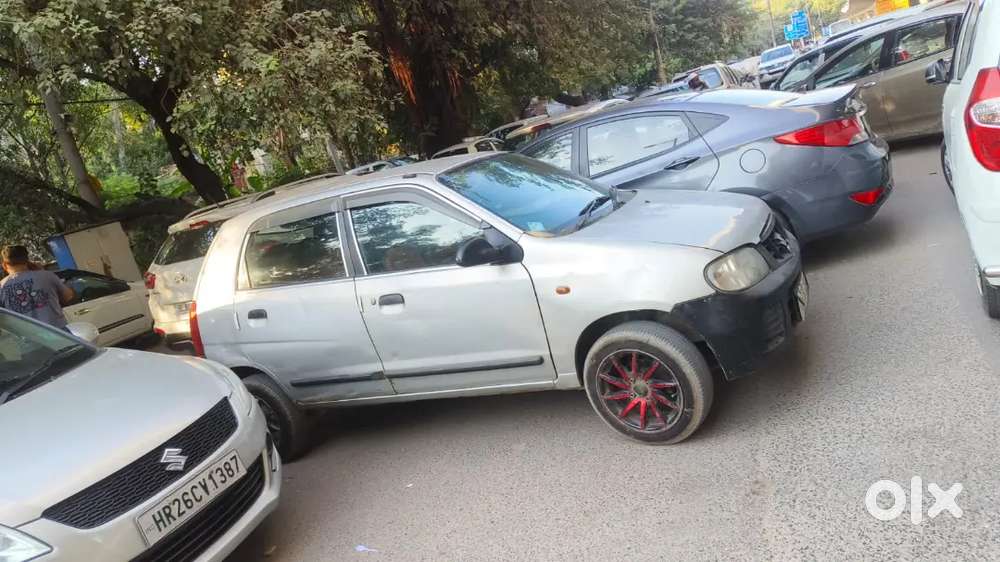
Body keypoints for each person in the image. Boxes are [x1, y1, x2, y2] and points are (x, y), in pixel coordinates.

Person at [0, 246, 74, 328]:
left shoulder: (1, 286)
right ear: (27, 260)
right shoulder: (47, 276)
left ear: (4, 265)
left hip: (27, 334)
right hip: (57, 330)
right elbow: (68, 296)